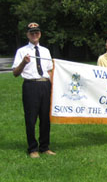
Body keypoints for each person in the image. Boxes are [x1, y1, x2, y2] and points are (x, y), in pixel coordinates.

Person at [12, 22, 56, 158]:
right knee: (31, 118)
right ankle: (32, 148)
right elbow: (15, 73)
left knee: (45, 118)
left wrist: (53, 86)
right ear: (27, 35)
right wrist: (24, 62)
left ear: (40, 34)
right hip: (31, 86)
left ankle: (45, 147)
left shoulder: (45, 51)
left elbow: (49, 71)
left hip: (45, 85)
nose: (34, 35)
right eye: (31, 33)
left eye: (36, 32)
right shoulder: (21, 51)